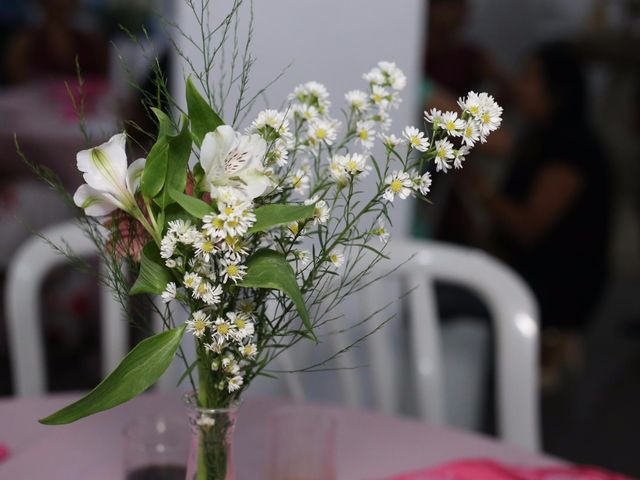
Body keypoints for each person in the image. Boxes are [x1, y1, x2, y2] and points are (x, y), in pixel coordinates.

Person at [469, 42, 612, 389]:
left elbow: (528, 229)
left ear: (556, 91)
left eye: (529, 78)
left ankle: (552, 342)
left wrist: (481, 190)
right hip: (539, 269)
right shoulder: (541, 136)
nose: (519, 85)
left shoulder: (570, 149)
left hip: (557, 283)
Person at [4, 0, 108, 83]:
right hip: (38, 106)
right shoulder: (26, 41)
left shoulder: (91, 41)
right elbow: (17, 81)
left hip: (86, 106)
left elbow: (105, 78)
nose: (64, 3)